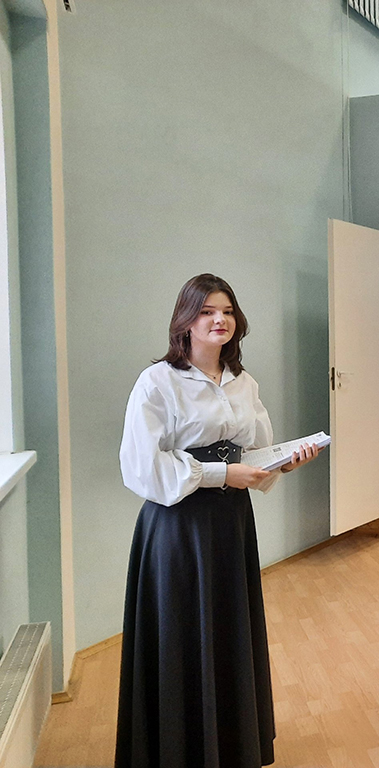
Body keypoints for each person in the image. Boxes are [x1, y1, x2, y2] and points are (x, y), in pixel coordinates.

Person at [116, 274, 320, 768]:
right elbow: (142, 467)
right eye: (206, 311)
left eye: (226, 311)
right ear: (185, 321)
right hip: (178, 528)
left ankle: (229, 747)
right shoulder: (157, 382)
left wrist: (284, 462)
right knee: (183, 633)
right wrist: (221, 474)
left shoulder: (244, 383)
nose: (218, 320)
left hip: (231, 524)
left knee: (228, 630)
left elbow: (255, 453)